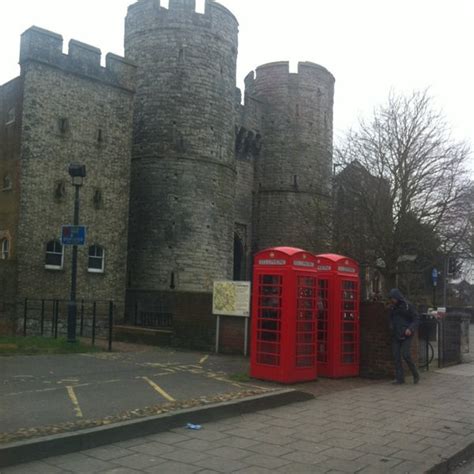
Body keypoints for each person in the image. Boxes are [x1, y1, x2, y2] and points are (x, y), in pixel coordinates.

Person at [389, 288, 420, 384]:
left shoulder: (408, 306)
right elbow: (391, 319)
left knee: (406, 354)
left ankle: (415, 374)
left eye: (393, 298)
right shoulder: (393, 307)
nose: (392, 300)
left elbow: (416, 319)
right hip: (396, 334)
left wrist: (410, 329)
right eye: (391, 298)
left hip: (407, 334)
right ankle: (400, 379)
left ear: (397, 297)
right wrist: (391, 327)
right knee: (396, 356)